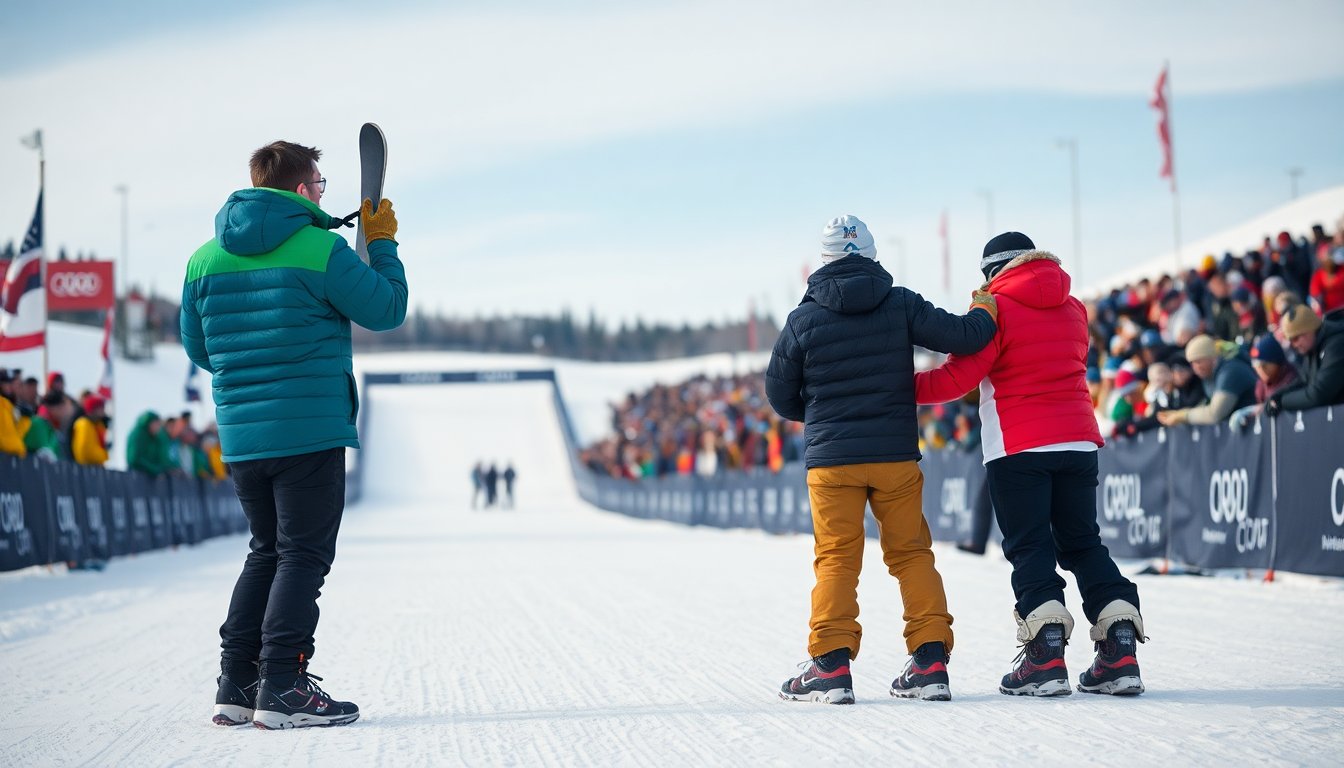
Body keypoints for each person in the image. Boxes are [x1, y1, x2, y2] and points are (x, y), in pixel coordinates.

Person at [182, 139, 407, 729]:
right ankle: (281, 682)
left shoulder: (204, 259)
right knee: (303, 555)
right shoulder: (319, 249)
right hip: (308, 428)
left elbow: (199, 349)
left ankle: (238, 680)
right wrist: (381, 243)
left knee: (266, 551)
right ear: (302, 189)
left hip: (243, 435)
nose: (322, 192)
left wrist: (250, 370)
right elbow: (386, 309)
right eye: (321, 184)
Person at [766, 215, 998, 704]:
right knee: (912, 554)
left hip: (832, 462)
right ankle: (930, 660)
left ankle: (830, 666)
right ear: (871, 255)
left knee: (837, 560)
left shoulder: (802, 319)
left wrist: (815, 413)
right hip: (894, 454)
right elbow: (965, 336)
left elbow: (779, 394)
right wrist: (984, 307)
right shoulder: (899, 303)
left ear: (823, 260)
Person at [916, 231, 1145, 697]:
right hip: (1078, 440)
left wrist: (900, 389)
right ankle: (1120, 648)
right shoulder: (1073, 306)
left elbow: (960, 378)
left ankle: (1045, 657)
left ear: (993, 272)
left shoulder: (996, 309)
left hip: (1018, 445)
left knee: (1030, 546)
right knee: (1083, 543)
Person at [1156, 334, 1257, 427]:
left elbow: (1215, 413)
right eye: (1192, 363)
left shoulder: (1230, 371)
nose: (1195, 368)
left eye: (1198, 362)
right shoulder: (1211, 374)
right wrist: (1178, 413)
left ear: (1211, 358)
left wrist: (1183, 416)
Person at [1267, 304, 1344, 412]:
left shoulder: (1337, 345)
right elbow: (1304, 381)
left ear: (1311, 329)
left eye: (1296, 338)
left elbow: (1318, 394)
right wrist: (1278, 396)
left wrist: (1282, 402)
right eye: (1290, 340)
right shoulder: (1313, 347)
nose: (1294, 345)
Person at [128, 411, 173, 476]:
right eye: (156, 424)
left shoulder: (157, 437)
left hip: (151, 477)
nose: (158, 427)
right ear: (149, 423)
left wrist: (161, 469)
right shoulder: (138, 434)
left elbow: (162, 458)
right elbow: (134, 459)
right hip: (136, 474)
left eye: (159, 425)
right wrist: (152, 468)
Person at [71, 395, 109, 467]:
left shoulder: (97, 425)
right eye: (100, 407)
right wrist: (104, 455)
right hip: (86, 468)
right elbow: (85, 452)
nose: (103, 410)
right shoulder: (84, 424)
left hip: (94, 468)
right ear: (93, 409)